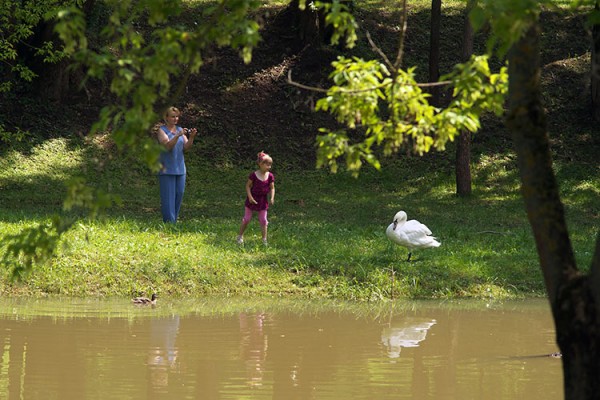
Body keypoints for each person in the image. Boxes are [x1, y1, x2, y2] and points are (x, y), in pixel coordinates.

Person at [156, 106, 198, 223]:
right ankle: (169, 223)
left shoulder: (179, 129)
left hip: (180, 169)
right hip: (166, 169)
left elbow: (186, 147)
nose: (175, 119)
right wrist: (177, 136)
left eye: (177, 116)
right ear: (166, 118)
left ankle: (174, 220)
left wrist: (191, 137)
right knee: (168, 198)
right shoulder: (162, 131)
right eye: (173, 117)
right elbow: (167, 147)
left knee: (179, 194)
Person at [237, 151, 275, 245]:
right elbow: (248, 186)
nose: (269, 167)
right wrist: (250, 197)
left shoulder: (270, 176)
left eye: (270, 165)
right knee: (247, 219)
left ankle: (264, 240)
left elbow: (272, 188)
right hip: (252, 200)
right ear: (260, 164)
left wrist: (272, 197)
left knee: (263, 220)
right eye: (267, 164)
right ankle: (240, 236)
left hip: (263, 200)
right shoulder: (253, 175)